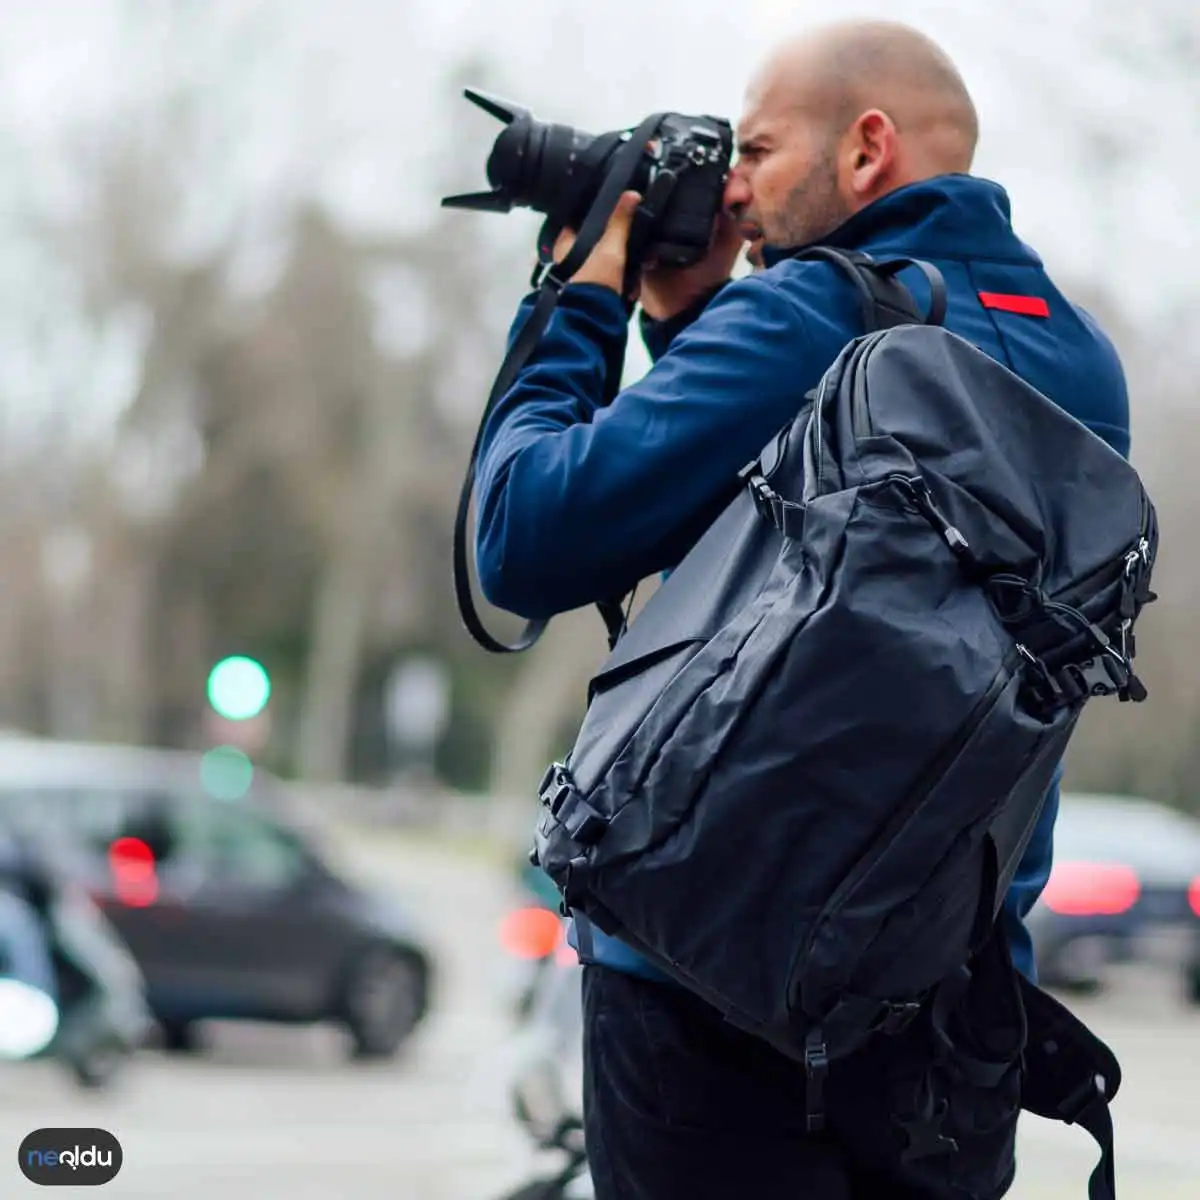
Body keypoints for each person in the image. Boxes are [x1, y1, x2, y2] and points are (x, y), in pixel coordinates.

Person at [473, 19, 1129, 1200]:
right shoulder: (1081, 363)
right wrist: (689, 326)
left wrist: (584, 294)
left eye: (761, 149)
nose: (735, 185)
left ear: (868, 148)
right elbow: (819, 564)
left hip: (703, 1000)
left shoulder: (806, 318)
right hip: (946, 1016)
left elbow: (524, 537)